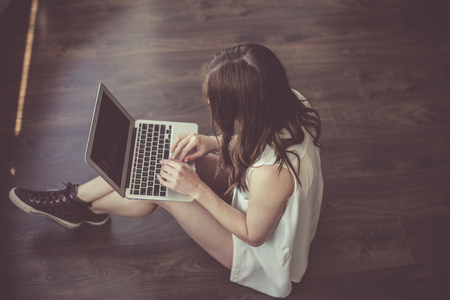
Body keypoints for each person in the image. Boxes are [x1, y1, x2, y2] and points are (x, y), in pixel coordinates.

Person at [9, 44, 323, 298]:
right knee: (165, 156)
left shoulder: (273, 173)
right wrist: (212, 141)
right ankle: (77, 202)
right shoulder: (289, 101)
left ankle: (75, 203)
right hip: (252, 196)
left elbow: (254, 236)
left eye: (216, 100)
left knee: (164, 190)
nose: (210, 102)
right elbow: (257, 136)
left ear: (246, 106)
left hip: (257, 256)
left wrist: (196, 188)